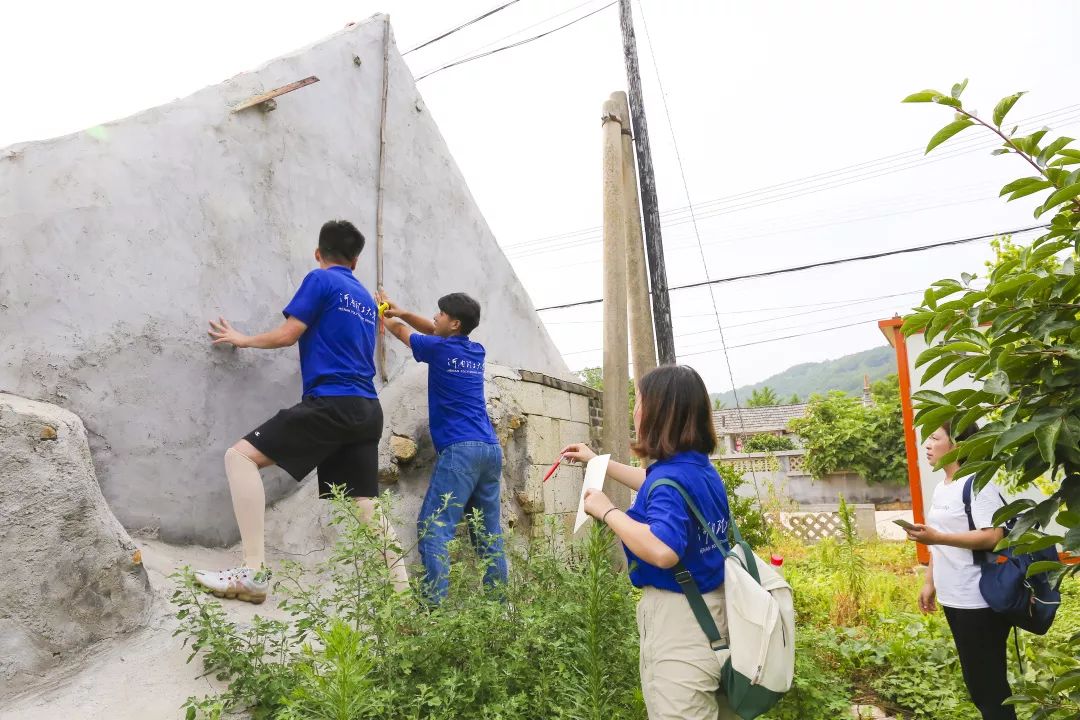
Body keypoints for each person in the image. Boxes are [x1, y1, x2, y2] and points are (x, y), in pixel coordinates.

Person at [194, 219, 408, 603]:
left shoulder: (320, 280)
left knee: (239, 458)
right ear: (356, 261)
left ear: (318, 253)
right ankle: (403, 596)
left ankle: (253, 573)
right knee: (364, 502)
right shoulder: (365, 298)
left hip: (333, 401)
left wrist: (243, 339)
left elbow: (288, 333)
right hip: (367, 408)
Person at [563, 364, 738, 720]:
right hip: (718, 615)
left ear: (659, 413)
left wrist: (608, 511)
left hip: (680, 626)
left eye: (639, 401)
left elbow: (663, 550)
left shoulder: (671, 477)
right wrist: (599, 462)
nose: (635, 410)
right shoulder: (697, 469)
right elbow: (656, 484)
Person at [378, 291, 507, 604]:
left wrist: (382, 314)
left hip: (461, 451)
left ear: (454, 323)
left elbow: (400, 332)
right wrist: (405, 311)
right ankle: (500, 611)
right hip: (489, 450)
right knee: (489, 536)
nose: (434, 318)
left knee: (433, 528)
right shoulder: (475, 350)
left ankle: (434, 612)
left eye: (440, 314)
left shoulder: (437, 349)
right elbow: (432, 331)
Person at [904, 421, 1015, 720]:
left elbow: (993, 536)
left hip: (978, 600)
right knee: (978, 683)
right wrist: (930, 581)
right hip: (954, 597)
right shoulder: (943, 487)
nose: (927, 444)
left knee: (989, 688)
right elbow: (939, 540)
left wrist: (936, 537)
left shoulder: (977, 483)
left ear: (959, 446)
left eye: (935, 438)